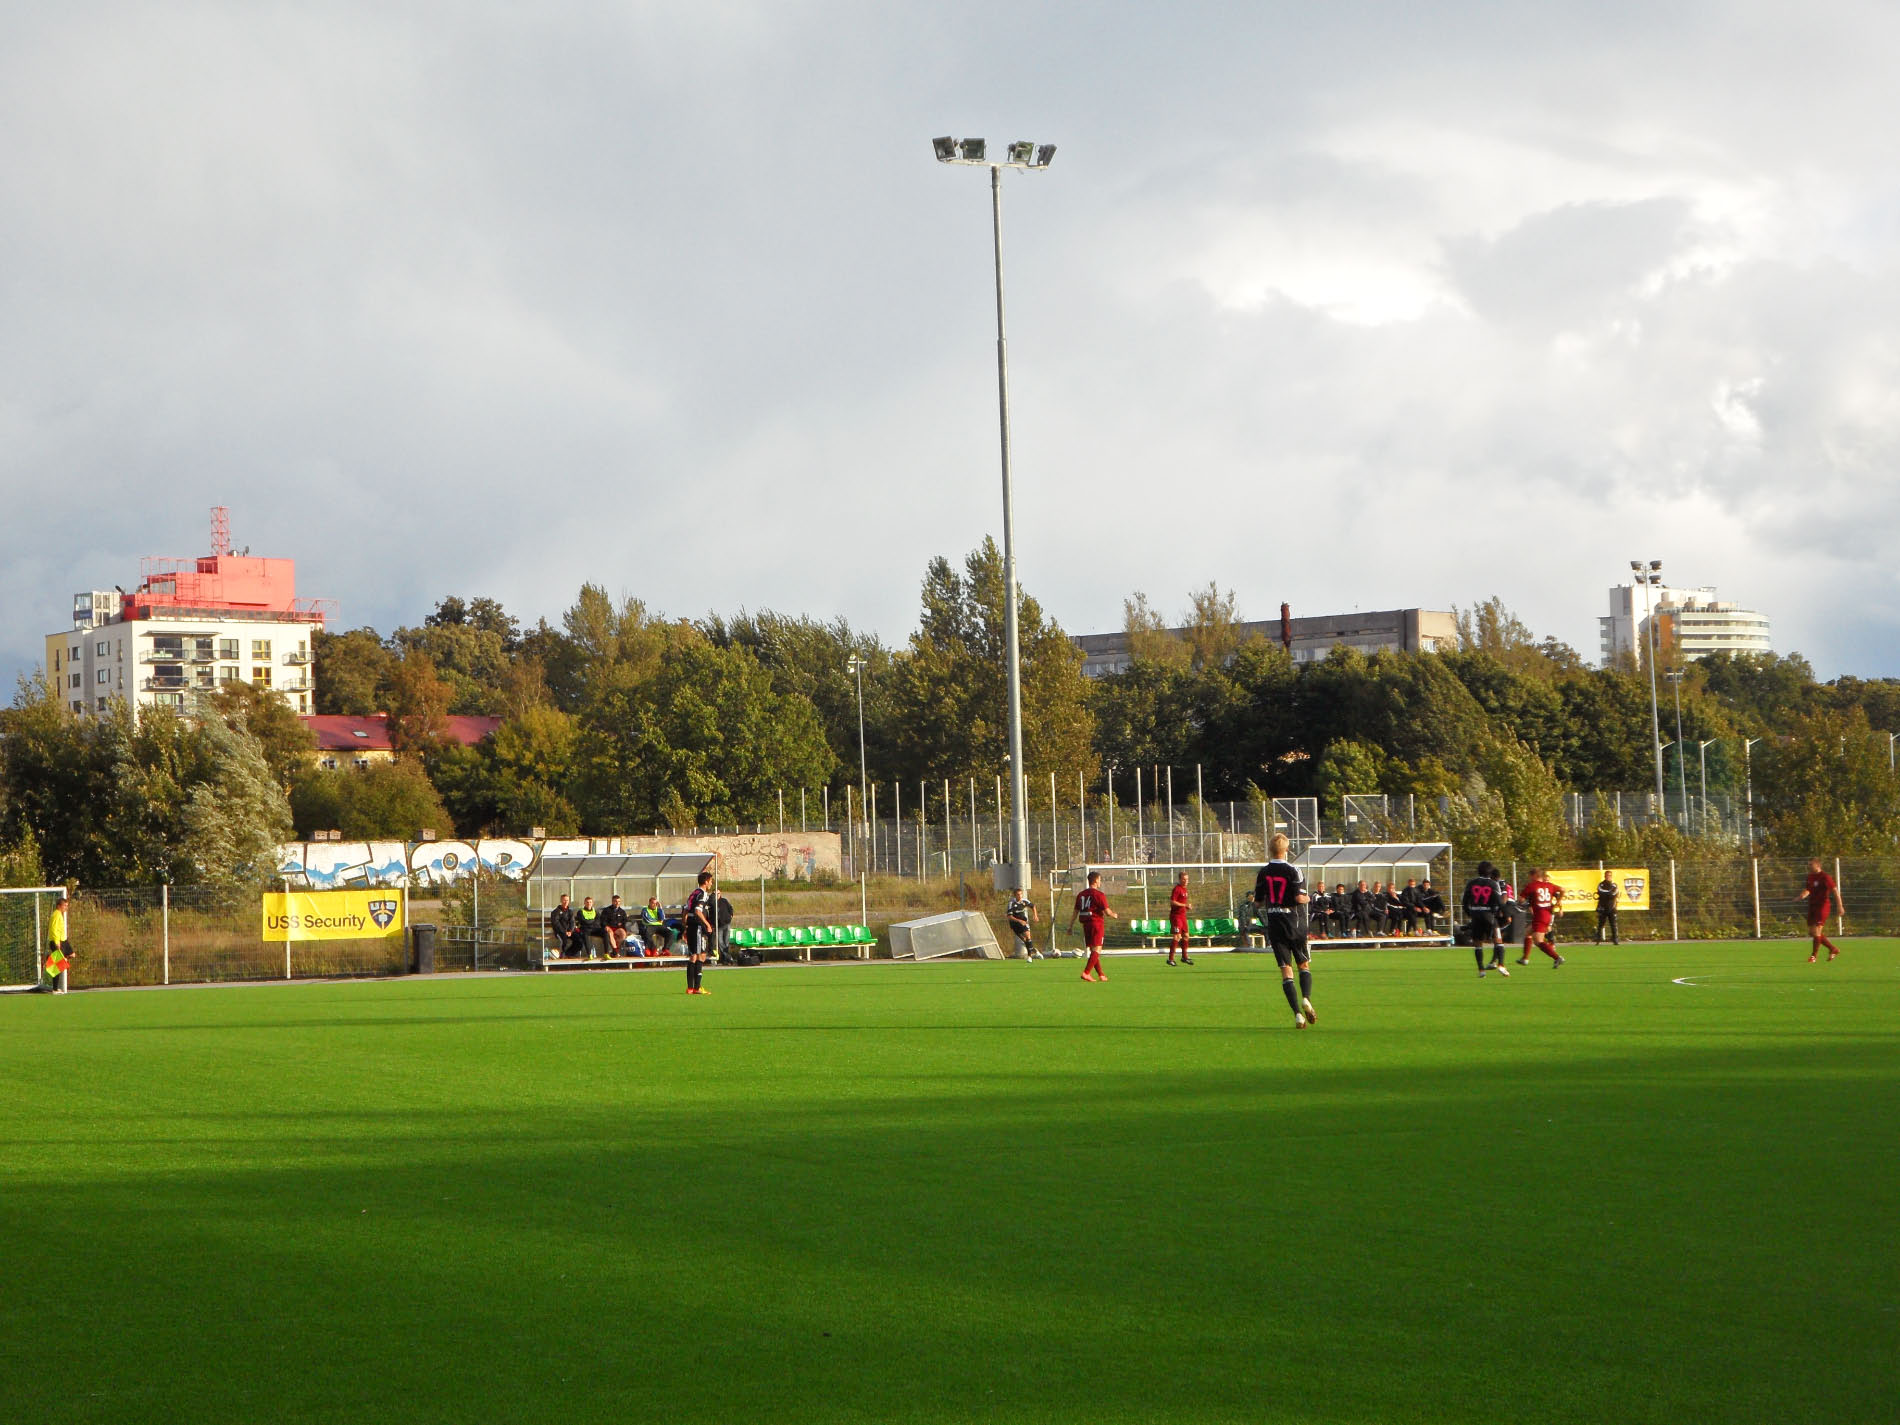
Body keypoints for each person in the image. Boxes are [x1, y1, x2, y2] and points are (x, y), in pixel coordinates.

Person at [1254, 834, 1316, 1027]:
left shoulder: (1263, 872)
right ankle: (1306, 998)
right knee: (1303, 964)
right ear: (1287, 850)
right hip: (1294, 922)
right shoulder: (1294, 870)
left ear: (1270, 850)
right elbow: (1299, 898)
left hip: (1275, 923)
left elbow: (1257, 902)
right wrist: (1310, 898)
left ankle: (1297, 1014)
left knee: (1286, 970)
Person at [1067, 870, 1118, 982]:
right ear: (1095, 881)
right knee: (1097, 949)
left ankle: (1101, 975)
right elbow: (1107, 912)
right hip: (1096, 924)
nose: (1100, 882)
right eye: (1099, 880)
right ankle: (1086, 973)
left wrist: (1070, 926)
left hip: (1086, 924)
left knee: (1093, 950)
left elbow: (1075, 912)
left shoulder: (1081, 894)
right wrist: (1114, 915)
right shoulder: (1099, 895)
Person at [1461, 861, 1509, 977]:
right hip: (1488, 914)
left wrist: (1470, 913)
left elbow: (1464, 901)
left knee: (1478, 943)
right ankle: (1501, 965)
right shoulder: (1493, 884)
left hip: (1475, 914)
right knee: (1498, 939)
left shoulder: (1471, 883)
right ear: (1490, 872)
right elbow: (1499, 901)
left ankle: (1481, 970)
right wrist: (1506, 915)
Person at [1516, 869, 1565, 966]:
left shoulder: (1532, 886)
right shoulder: (1549, 885)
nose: (1529, 878)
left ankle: (1557, 957)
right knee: (1527, 933)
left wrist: (1526, 902)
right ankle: (1525, 958)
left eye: (1530, 876)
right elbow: (1563, 889)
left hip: (1540, 915)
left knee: (1538, 941)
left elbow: (1521, 899)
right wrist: (1558, 901)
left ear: (1534, 875)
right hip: (1547, 914)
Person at [1798, 858, 1843, 962]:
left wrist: (1840, 905)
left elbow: (1835, 890)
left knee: (1817, 930)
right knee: (1812, 932)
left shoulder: (1825, 877)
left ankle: (1813, 956)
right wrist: (1802, 895)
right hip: (1812, 906)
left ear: (1818, 865)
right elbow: (1808, 889)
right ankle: (1833, 949)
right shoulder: (1810, 877)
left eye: (1811, 865)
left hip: (1823, 906)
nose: (1809, 866)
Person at [683, 871, 716, 993]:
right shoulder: (703, 894)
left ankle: (690, 988)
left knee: (693, 956)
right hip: (697, 926)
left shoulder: (694, 893)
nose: (711, 883)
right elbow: (698, 911)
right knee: (701, 955)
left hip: (691, 925)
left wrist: (685, 925)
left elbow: (686, 910)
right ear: (706, 882)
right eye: (711, 881)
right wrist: (707, 924)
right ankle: (697, 987)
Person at [43, 895, 73, 993]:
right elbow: (54, 929)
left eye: (67, 906)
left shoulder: (59, 914)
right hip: (58, 942)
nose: (66, 908)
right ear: (59, 906)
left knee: (72, 955)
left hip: (63, 941)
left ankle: (51, 958)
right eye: (65, 906)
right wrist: (57, 942)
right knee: (58, 965)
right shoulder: (56, 915)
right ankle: (55, 989)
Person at [1167, 870, 1193, 966]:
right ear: (1180, 879)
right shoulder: (1177, 889)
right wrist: (1184, 905)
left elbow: (1181, 903)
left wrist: (1186, 907)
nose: (1186, 881)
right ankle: (1170, 959)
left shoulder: (1185, 890)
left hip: (1182, 916)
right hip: (1176, 916)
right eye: (1184, 879)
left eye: (1187, 879)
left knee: (1186, 936)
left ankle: (1184, 957)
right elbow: (1172, 902)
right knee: (1177, 937)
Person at [1005, 887, 1038, 959]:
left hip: (1023, 922)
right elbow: (1009, 916)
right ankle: (1033, 950)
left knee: (1028, 937)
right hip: (1014, 924)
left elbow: (1033, 906)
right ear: (1015, 895)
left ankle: (1029, 957)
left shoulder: (1024, 901)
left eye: (1021, 894)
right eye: (1018, 894)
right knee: (1025, 940)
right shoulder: (1011, 903)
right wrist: (1019, 921)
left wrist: (1035, 915)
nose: (1020, 896)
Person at [547, 894, 582, 959]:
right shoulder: (555, 912)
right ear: (561, 901)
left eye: (567, 900)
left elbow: (572, 922)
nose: (566, 902)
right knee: (565, 941)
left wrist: (570, 931)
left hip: (569, 932)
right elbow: (556, 924)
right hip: (560, 932)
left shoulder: (570, 911)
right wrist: (564, 931)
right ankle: (563, 955)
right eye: (564, 900)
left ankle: (569, 954)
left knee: (579, 940)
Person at [1593, 872, 1620, 945]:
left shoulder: (1614, 885)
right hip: (1603, 908)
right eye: (1607, 875)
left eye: (1610, 875)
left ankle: (1615, 940)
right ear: (1605, 876)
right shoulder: (1601, 884)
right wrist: (1608, 893)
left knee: (1613, 924)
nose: (1608, 877)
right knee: (1600, 924)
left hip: (1612, 908)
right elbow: (1600, 892)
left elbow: (1614, 894)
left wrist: (1607, 894)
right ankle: (1598, 940)